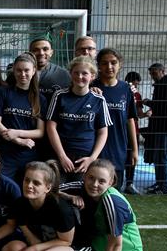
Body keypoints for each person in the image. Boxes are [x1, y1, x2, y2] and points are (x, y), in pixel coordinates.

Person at [1, 161, 75, 251]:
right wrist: (33, 246)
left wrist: (35, 249)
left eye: (36, 183)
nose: (29, 186)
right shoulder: (20, 203)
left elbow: (66, 241)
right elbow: (22, 225)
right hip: (40, 243)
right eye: (27, 180)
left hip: (62, 248)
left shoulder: (60, 209)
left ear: (47, 188)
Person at [46, 56, 111, 184]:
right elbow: (50, 127)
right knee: (58, 192)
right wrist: (62, 156)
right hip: (62, 155)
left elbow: (103, 132)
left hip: (85, 158)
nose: (80, 76)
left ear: (92, 76)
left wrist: (92, 158)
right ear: (70, 74)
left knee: (81, 195)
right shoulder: (59, 96)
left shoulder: (98, 99)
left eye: (84, 73)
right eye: (76, 73)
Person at [0, 52, 46, 183]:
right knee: (3, 188)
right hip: (6, 154)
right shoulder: (3, 93)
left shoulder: (40, 99)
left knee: (27, 189)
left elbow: (40, 132)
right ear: (14, 71)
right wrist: (18, 140)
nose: (22, 74)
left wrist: (17, 133)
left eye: (26, 70)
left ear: (34, 71)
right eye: (19, 70)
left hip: (29, 154)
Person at [93, 48, 138, 188]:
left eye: (113, 62)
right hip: (94, 149)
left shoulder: (126, 89)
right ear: (98, 66)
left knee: (114, 192)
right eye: (104, 63)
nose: (109, 67)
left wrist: (135, 150)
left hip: (118, 149)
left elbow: (130, 120)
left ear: (120, 64)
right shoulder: (90, 87)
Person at [142, 63, 167, 194]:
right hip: (161, 125)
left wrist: (149, 103)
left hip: (165, 126)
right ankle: (161, 184)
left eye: (154, 73)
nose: (152, 76)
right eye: (151, 73)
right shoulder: (164, 84)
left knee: (161, 156)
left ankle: (165, 186)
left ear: (163, 71)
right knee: (159, 156)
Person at [124, 71, 150, 194]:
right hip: (131, 129)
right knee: (130, 157)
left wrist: (145, 114)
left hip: (124, 130)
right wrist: (147, 114)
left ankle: (124, 183)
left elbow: (138, 114)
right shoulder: (136, 94)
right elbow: (139, 114)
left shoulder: (121, 91)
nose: (136, 86)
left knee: (126, 156)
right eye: (136, 84)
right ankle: (129, 183)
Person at [29, 38, 71, 104]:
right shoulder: (21, 73)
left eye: (45, 49)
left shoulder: (63, 75)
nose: (41, 53)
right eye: (36, 50)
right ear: (30, 53)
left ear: (51, 52)